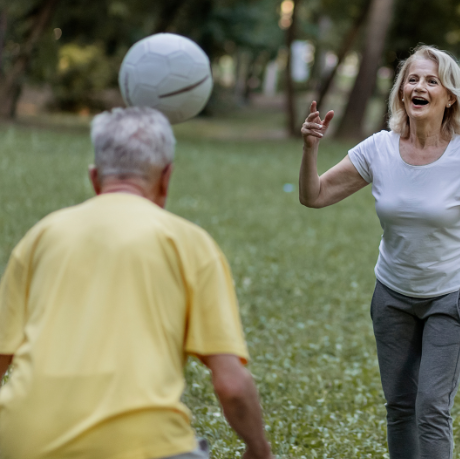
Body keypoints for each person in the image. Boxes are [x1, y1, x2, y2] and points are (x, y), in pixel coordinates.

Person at [298, 45, 460, 459]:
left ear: (449, 96)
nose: (418, 86)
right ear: (402, 91)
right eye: (412, 79)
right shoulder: (377, 150)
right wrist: (310, 148)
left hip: (451, 293)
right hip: (393, 294)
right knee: (400, 407)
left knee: (432, 408)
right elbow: (314, 196)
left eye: (431, 80)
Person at [0, 107, 273, 459]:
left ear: (95, 177)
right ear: (166, 177)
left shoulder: (40, 237)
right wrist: (259, 450)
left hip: (22, 442)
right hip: (145, 447)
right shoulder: (190, 243)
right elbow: (231, 385)